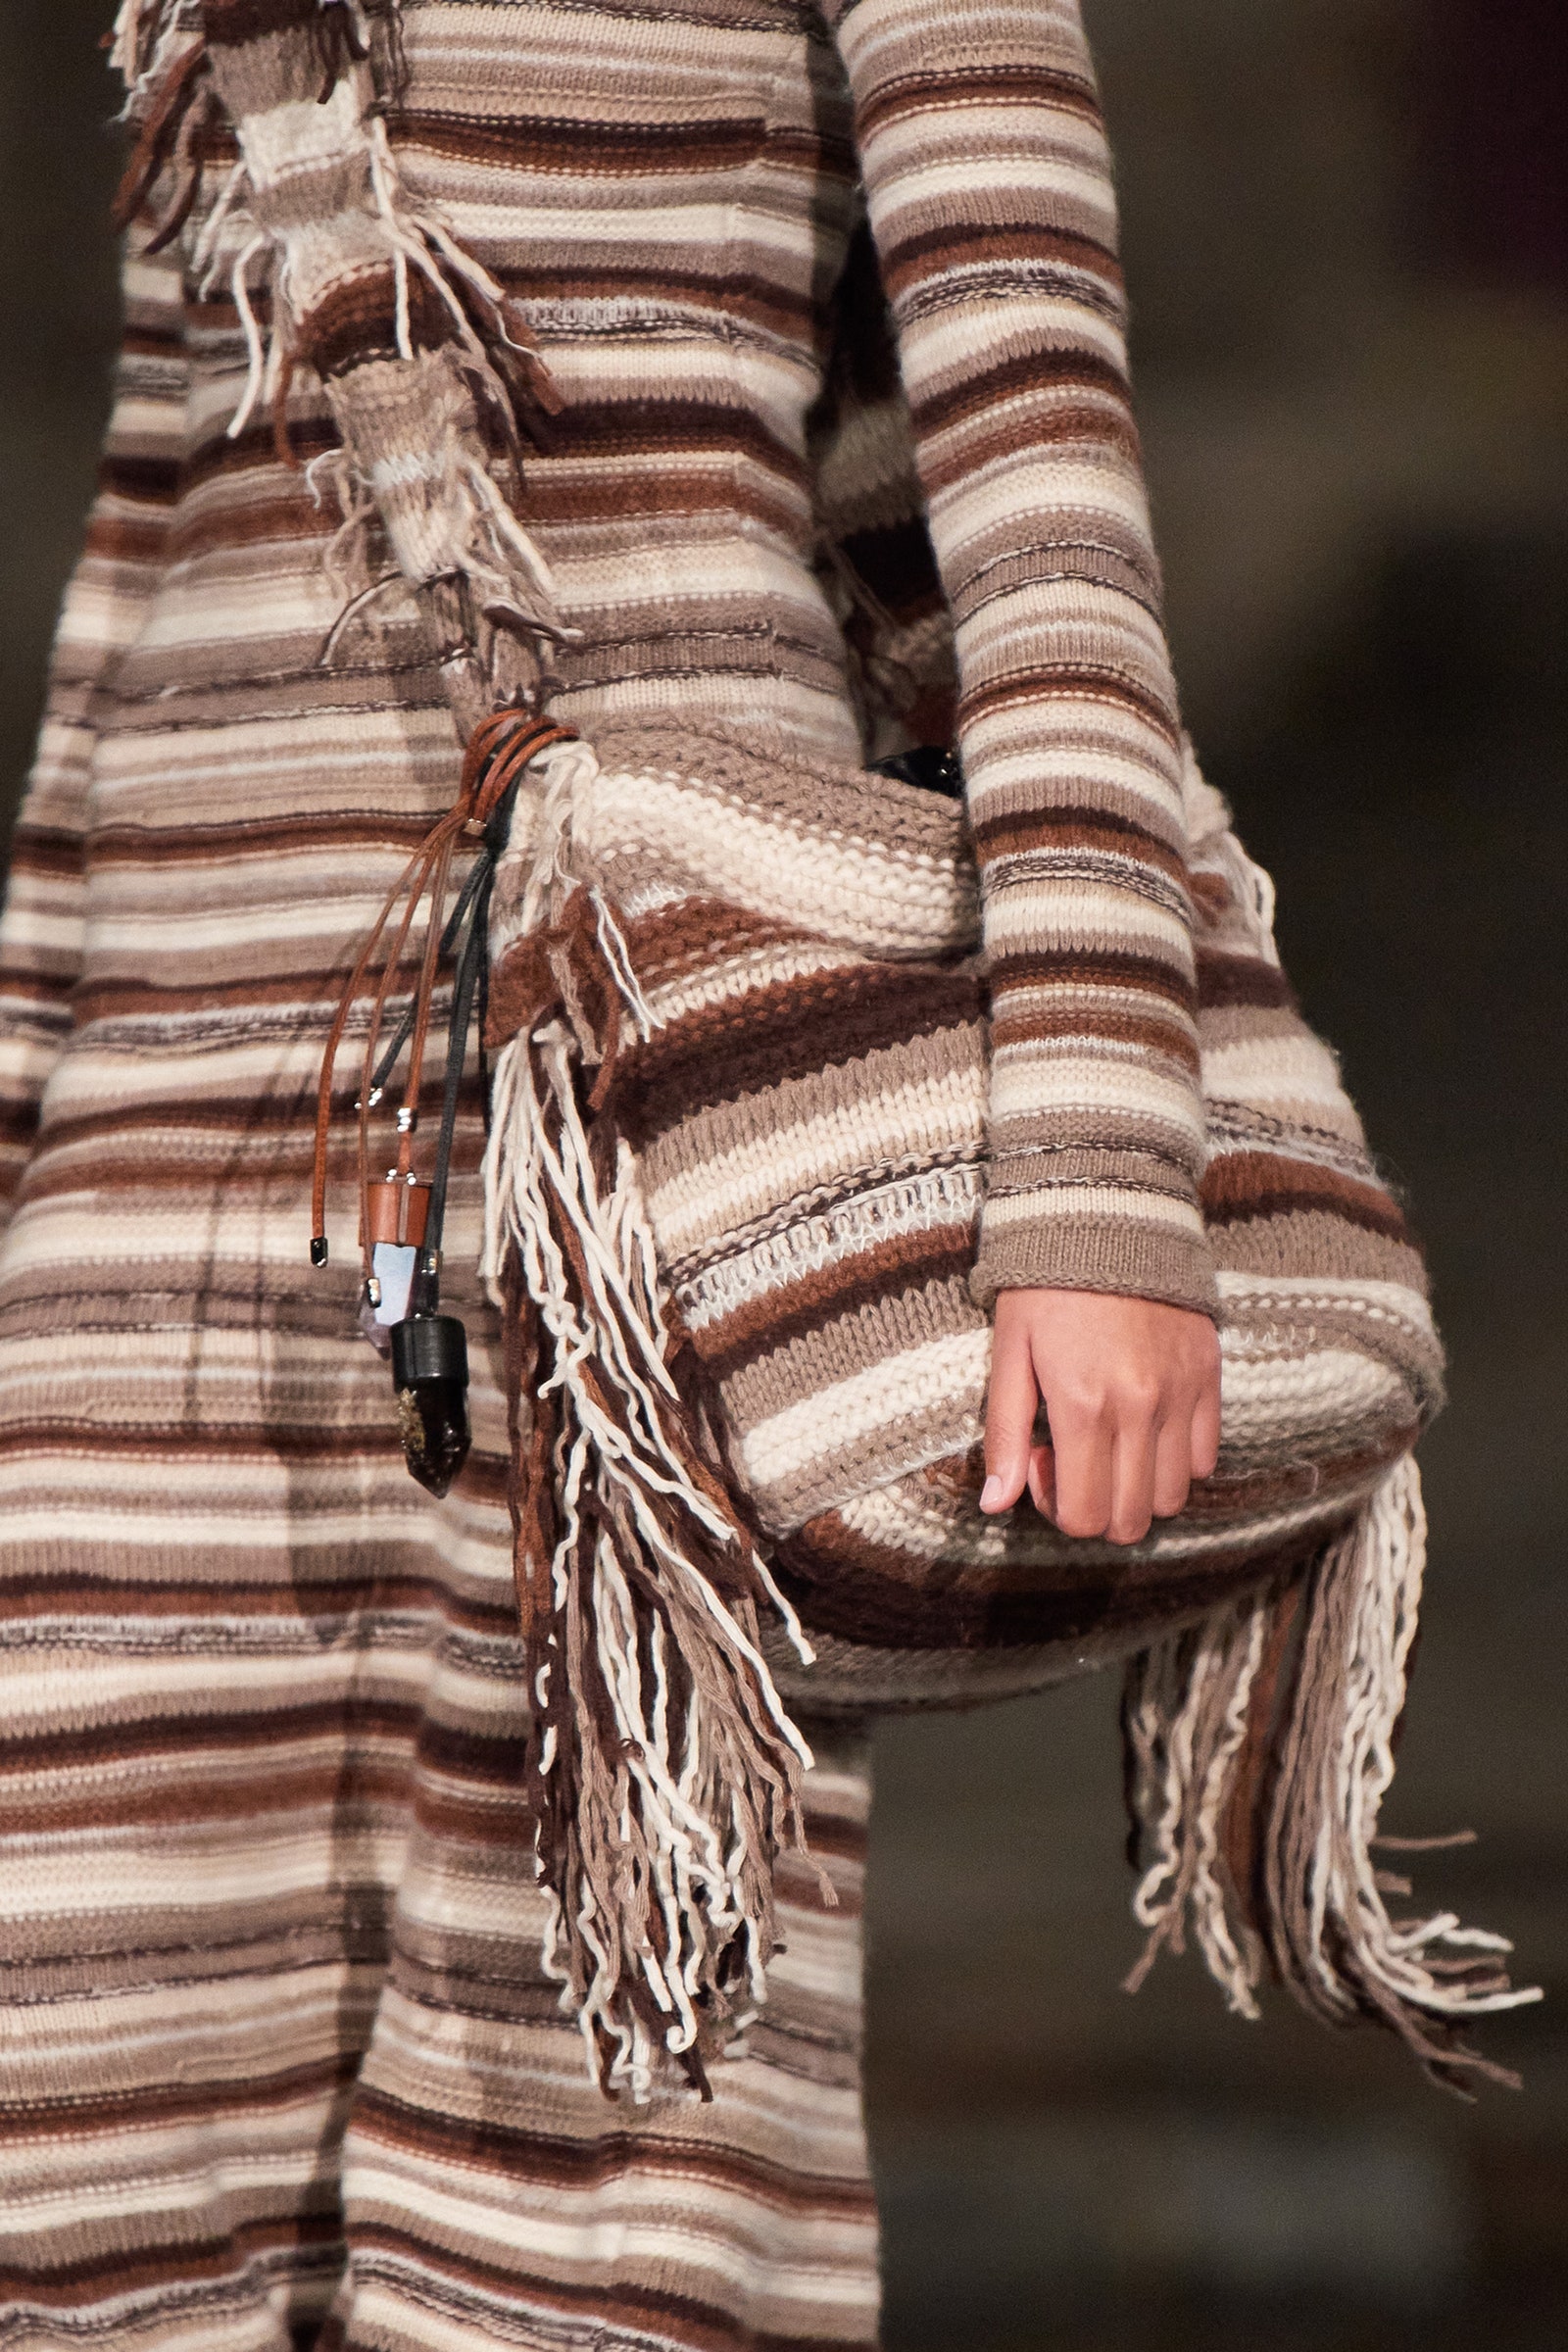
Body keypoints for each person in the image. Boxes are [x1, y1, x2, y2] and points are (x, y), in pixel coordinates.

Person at [0, 2, 1218, 2342]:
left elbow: (1034, 480)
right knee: (82, 2083)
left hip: (653, 1085)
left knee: (591, 2137)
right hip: (179, 1102)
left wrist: (1093, 1164)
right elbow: (165, 490)